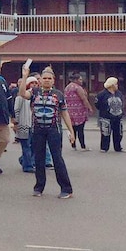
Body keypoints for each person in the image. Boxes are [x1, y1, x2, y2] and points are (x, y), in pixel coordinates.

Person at [19, 65, 75, 199]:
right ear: (40, 80)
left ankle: (66, 188)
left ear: (53, 80)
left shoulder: (58, 94)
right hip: (38, 130)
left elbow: (65, 113)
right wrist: (25, 76)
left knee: (57, 159)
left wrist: (71, 131)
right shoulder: (34, 92)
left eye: (49, 78)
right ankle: (39, 187)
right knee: (39, 159)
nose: (47, 80)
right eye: (44, 78)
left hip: (54, 130)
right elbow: (22, 94)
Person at [13, 76, 37, 172]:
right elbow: (16, 110)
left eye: (36, 83)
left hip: (33, 124)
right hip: (23, 124)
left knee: (34, 146)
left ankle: (24, 159)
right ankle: (28, 166)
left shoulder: (36, 96)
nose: (34, 85)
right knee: (26, 146)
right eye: (32, 83)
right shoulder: (20, 97)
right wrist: (16, 123)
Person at [64, 72, 93, 151]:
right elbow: (83, 99)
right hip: (79, 112)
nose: (81, 81)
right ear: (76, 80)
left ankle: (73, 145)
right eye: (80, 79)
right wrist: (89, 108)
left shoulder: (67, 87)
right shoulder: (78, 87)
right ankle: (83, 146)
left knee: (72, 129)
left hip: (70, 111)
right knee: (80, 129)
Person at [96, 77, 125, 152]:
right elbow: (97, 104)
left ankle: (118, 147)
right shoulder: (101, 94)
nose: (117, 85)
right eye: (116, 84)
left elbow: (122, 102)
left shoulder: (119, 93)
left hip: (118, 116)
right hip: (106, 117)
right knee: (105, 133)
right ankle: (104, 148)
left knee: (118, 133)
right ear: (111, 85)